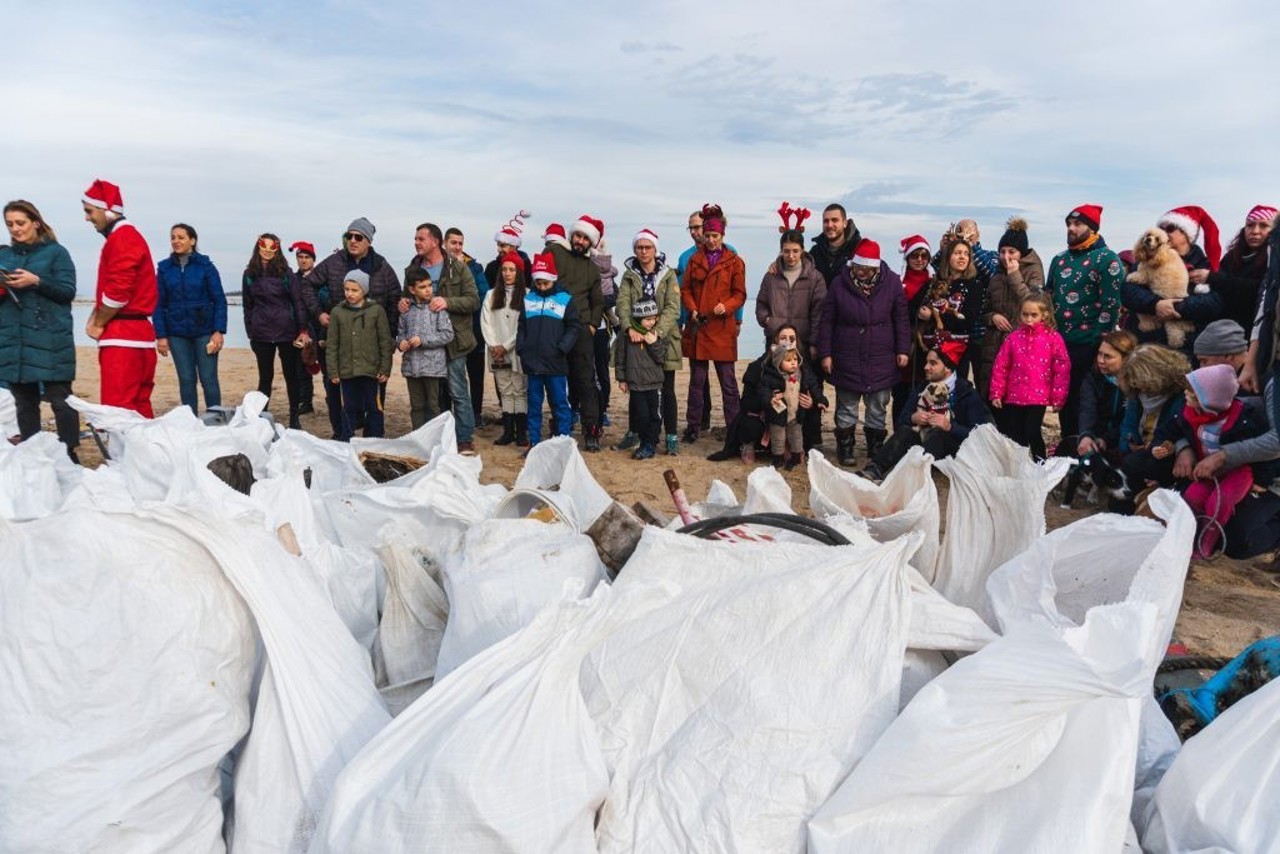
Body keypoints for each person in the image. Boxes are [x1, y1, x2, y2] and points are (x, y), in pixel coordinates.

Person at [299, 217, 401, 438]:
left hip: (371, 346)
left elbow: (395, 299)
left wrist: (390, 334)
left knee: (373, 394)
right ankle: (341, 435)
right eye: (349, 236)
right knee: (336, 390)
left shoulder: (382, 267)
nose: (352, 241)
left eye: (358, 237)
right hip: (339, 339)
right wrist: (319, 314)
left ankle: (372, 437)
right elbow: (307, 284)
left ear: (368, 241)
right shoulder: (333, 262)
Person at [1155, 364, 1269, 558]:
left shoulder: (1245, 417)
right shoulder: (1186, 414)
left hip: (1238, 470)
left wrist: (1263, 479)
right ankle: (1187, 541)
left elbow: (1264, 449)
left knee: (1219, 502)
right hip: (1206, 468)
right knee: (1192, 497)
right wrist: (1166, 446)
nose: (1185, 394)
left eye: (1192, 394)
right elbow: (1167, 432)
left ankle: (1206, 545)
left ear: (1209, 400)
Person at [815, 238, 908, 465]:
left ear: (875, 267)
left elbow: (901, 319)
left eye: (866, 269)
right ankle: (845, 447)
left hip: (882, 356)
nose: (861, 272)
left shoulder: (893, 283)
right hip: (846, 355)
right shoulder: (839, 284)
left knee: (878, 405)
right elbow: (827, 321)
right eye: (858, 268)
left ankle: (875, 447)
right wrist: (825, 353)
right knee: (846, 405)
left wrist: (903, 350)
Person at [0, 200, 79, 459]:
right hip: (15, 340)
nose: (15, 229)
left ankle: (69, 452)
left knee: (61, 401)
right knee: (24, 404)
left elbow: (67, 291)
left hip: (51, 340)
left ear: (36, 222)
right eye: (9, 224)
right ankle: (31, 455)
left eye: (20, 223)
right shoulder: (4, 255)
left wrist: (36, 281)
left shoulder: (57, 253)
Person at [1045, 204, 1125, 439]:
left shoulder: (1107, 259)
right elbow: (1049, 298)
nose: (1071, 228)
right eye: (1069, 224)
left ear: (1092, 228)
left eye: (1077, 224)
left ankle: (1086, 448)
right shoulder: (1059, 260)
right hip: (1060, 343)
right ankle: (1067, 446)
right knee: (1064, 398)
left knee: (1087, 399)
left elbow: (1111, 304)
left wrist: (1097, 341)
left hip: (1089, 344)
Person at [81, 179, 158, 417]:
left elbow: (118, 293)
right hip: (141, 336)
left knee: (118, 412)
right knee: (140, 407)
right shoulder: (128, 237)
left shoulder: (122, 238)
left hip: (123, 339)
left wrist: (98, 322)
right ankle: (144, 453)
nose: (87, 218)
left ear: (107, 210)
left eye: (89, 211)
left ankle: (123, 455)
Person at [860, 344, 990, 481]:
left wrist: (950, 427)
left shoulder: (965, 392)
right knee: (905, 432)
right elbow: (901, 421)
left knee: (938, 433)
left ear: (948, 368)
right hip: (922, 443)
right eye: (926, 362)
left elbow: (980, 434)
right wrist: (913, 418)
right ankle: (875, 468)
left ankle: (907, 477)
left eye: (933, 363)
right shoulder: (923, 387)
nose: (926, 367)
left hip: (952, 450)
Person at [404, 223, 481, 453]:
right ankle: (432, 438)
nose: (416, 242)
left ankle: (464, 438)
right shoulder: (413, 268)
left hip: (454, 341)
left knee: (457, 390)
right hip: (425, 345)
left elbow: (473, 300)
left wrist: (448, 302)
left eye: (421, 239)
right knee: (432, 395)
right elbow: (406, 294)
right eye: (415, 238)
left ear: (435, 242)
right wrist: (403, 302)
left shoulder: (457, 268)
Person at [756, 226, 829, 452]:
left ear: (803, 251)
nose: (791, 256)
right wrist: (767, 321)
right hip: (776, 343)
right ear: (780, 251)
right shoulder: (771, 277)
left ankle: (809, 442)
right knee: (776, 388)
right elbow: (760, 304)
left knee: (806, 388)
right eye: (786, 251)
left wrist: (814, 342)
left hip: (803, 343)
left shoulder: (814, 277)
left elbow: (819, 311)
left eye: (795, 251)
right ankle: (777, 443)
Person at [681, 203, 746, 444]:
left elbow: (740, 294)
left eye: (714, 236)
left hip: (722, 328)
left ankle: (734, 428)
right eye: (707, 235)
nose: (710, 240)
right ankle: (693, 427)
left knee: (728, 383)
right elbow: (685, 289)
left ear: (723, 235)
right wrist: (692, 309)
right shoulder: (694, 260)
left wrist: (727, 307)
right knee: (696, 383)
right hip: (699, 327)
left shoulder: (734, 262)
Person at [615, 228, 682, 455]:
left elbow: (673, 307)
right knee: (637, 390)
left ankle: (671, 435)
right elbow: (622, 304)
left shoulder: (668, 274)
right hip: (635, 338)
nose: (643, 251)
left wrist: (657, 332)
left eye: (647, 247)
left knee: (667, 389)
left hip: (663, 338)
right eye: (639, 247)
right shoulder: (629, 274)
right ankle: (636, 433)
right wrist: (629, 328)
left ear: (655, 249)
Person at [1123, 206, 1225, 353]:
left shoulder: (1206, 266)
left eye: (1170, 228)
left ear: (1187, 235)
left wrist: (1177, 307)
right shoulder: (1146, 261)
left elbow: (1215, 302)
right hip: (1145, 344)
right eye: (1160, 228)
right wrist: (1155, 304)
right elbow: (1127, 291)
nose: (1164, 233)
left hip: (1187, 347)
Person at [154, 224, 226, 415]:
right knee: (186, 379)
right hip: (177, 334)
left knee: (208, 378)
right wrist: (161, 335)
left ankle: (216, 419)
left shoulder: (206, 267)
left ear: (192, 241)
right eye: (173, 238)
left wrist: (218, 330)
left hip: (205, 332)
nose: (176, 241)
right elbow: (158, 304)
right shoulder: (164, 269)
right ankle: (190, 422)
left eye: (181, 237)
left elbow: (219, 300)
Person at [546, 215, 605, 450]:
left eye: (584, 238)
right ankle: (560, 427)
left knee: (585, 381)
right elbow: (541, 280)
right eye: (577, 236)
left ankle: (591, 430)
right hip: (555, 326)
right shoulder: (556, 253)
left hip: (581, 329)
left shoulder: (592, 268)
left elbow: (597, 301)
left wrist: (592, 324)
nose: (579, 241)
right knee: (556, 380)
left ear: (591, 242)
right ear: (571, 236)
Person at [1109, 344, 1191, 512]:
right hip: (1139, 453)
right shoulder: (1135, 394)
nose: (1140, 387)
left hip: (1168, 455)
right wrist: (1129, 442)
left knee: (1133, 465)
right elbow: (1128, 425)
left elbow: (1181, 430)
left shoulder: (1181, 397)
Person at [988, 293, 1070, 460]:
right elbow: (1001, 365)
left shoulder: (1052, 338)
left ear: (1044, 315)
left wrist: (1058, 397)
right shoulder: (1013, 337)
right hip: (1014, 395)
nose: (1029, 319)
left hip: (1037, 396)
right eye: (1025, 314)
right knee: (1017, 436)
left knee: (1032, 432)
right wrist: (997, 392)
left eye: (1034, 315)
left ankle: (1040, 466)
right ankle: (1022, 467)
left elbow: (1061, 368)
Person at [706, 325, 801, 463]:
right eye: (783, 338)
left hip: (790, 417)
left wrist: (809, 401)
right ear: (775, 341)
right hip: (762, 416)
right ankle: (748, 443)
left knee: (807, 416)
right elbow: (746, 404)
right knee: (750, 423)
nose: (788, 342)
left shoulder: (801, 367)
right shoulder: (758, 367)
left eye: (792, 339)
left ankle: (790, 445)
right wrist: (768, 399)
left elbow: (811, 390)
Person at [242, 234, 308, 429]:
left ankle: (294, 418)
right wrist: (250, 332)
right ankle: (262, 418)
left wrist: (302, 329)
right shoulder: (249, 274)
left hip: (287, 332)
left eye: (272, 248)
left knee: (291, 375)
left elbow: (297, 302)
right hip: (261, 333)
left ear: (277, 249)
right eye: (264, 247)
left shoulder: (286, 273)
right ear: (258, 247)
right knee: (265, 377)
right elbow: (247, 306)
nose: (268, 251)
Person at [517, 252, 580, 449]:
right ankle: (534, 443)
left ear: (553, 279)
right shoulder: (528, 299)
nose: (542, 287)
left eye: (546, 283)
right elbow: (522, 326)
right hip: (532, 362)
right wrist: (522, 348)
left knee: (560, 404)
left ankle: (563, 443)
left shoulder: (565, 299)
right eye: (538, 283)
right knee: (534, 405)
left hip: (555, 362)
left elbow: (574, 326)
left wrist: (562, 348)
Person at [979, 217, 1045, 399]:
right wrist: (992, 317)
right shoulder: (996, 276)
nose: (1006, 256)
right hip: (994, 345)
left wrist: (1014, 276)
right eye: (1002, 251)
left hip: (1022, 343)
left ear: (1021, 253)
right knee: (992, 399)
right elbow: (984, 310)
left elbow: (1035, 304)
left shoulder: (1034, 271)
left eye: (1012, 252)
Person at [1053, 329, 1139, 465]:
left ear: (1126, 358)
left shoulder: (1136, 384)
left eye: (1108, 356)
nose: (1101, 360)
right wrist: (1086, 435)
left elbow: (1129, 420)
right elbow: (1087, 409)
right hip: (1095, 435)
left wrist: (1107, 439)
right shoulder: (1093, 378)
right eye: (1099, 354)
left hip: (1123, 440)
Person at [326, 270, 391, 441]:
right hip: (346, 370)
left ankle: (375, 438)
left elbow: (385, 342)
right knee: (348, 407)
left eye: (355, 290)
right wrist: (333, 371)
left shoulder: (376, 311)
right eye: (347, 289)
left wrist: (385, 368)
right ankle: (347, 439)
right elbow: (332, 345)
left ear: (364, 290)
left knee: (374, 406)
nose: (350, 294)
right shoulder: (337, 312)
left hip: (371, 370)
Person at [480, 251, 529, 447]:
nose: (508, 274)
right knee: (505, 389)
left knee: (519, 390)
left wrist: (506, 345)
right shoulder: (491, 295)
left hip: (516, 350)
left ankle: (521, 433)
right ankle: (508, 431)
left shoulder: (526, 295)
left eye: (512, 270)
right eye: (505, 270)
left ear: (519, 272)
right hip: (496, 352)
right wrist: (494, 345)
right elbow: (486, 321)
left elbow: (523, 326)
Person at [397, 269, 455, 430]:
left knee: (433, 405)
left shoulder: (437, 309)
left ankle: (435, 438)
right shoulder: (406, 311)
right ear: (412, 289)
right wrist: (400, 342)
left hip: (433, 367)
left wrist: (423, 341)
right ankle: (418, 438)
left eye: (430, 285)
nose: (428, 289)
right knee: (416, 406)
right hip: (411, 367)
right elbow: (400, 333)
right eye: (422, 287)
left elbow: (448, 335)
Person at [919, 236, 984, 378]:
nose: (962, 257)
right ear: (948, 256)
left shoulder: (974, 285)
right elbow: (918, 306)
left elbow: (967, 320)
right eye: (957, 253)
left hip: (957, 348)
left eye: (966, 254)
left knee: (954, 389)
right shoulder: (934, 282)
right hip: (930, 346)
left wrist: (934, 316)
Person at [445, 227, 491, 427]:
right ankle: (447, 414)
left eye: (460, 243)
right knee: (450, 375)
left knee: (475, 373)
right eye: (453, 242)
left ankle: (477, 412)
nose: (457, 247)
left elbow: (483, 295)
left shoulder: (475, 267)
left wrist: (459, 303)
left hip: (472, 328)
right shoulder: (439, 265)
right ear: (445, 243)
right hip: (447, 329)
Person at [614, 299, 669, 460]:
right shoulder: (626, 336)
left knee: (655, 416)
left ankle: (650, 444)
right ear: (638, 319)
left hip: (655, 384)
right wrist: (622, 379)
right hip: (636, 384)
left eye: (654, 318)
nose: (652, 322)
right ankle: (644, 442)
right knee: (642, 416)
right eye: (647, 319)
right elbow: (620, 359)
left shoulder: (658, 334)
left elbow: (661, 358)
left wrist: (653, 343)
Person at [1206, 206, 1274, 334]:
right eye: (1250, 225)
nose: (1255, 231)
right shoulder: (1232, 256)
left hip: (1256, 334)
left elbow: (1260, 290)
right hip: (1222, 331)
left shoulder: (1275, 260)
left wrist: (1215, 278)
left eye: (1264, 226)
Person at [892, 234, 937, 423]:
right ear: (907, 258)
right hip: (903, 342)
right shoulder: (897, 282)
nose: (919, 260)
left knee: (924, 392)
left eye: (924, 256)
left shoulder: (935, 282)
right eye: (915, 256)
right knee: (901, 392)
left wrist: (931, 317)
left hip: (927, 344)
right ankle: (900, 430)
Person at [759, 340, 825, 469]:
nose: (794, 362)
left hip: (796, 414)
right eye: (788, 360)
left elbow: (814, 387)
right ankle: (777, 458)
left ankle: (796, 457)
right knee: (778, 437)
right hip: (778, 414)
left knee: (796, 437)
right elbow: (762, 390)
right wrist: (770, 398)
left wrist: (821, 400)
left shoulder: (801, 374)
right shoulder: (771, 376)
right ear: (778, 363)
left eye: (795, 359)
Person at [289, 241, 319, 414]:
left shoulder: (320, 276)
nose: (303, 260)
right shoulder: (293, 278)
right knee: (301, 366)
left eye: (307, 257)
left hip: (318, 325)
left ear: (312, 259)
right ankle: (305, 401)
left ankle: (332, 399)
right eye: (300, 257)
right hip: (299, 328)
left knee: (322, 364)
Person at [810, 203, 861, 285]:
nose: (829, 225)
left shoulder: (858, 250)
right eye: (826, 221)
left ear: (845, 223)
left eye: (834, 220)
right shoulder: (815, 253)